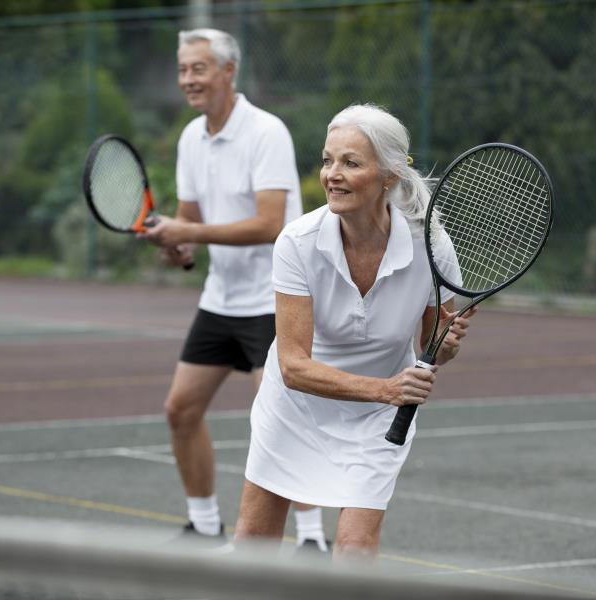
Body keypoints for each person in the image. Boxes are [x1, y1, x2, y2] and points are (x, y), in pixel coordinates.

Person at [233, 104, 476, 558]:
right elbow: (293, 367)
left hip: (377, 421)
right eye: (327, 160)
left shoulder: (433, 245)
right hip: (296, 408)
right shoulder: (297, 243)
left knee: (355, 550)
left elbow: (432, 349)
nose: (332, 175)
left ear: (388, 177)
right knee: (253, 546)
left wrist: (447, 347)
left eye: (350, 162)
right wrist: (385, 389)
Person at [137, 28, 328, 551]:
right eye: (182, 70)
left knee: (282, 421)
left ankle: (312, 539)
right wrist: (178, 246)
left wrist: (189, 233)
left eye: (198, 68)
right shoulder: (190, 138)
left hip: (276, 299)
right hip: (220, 300)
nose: (187, 80)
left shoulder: (267, 133)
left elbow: (270, 223)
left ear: (228, 71)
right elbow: (190, 219)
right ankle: (202, 523)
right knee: (180, 409)